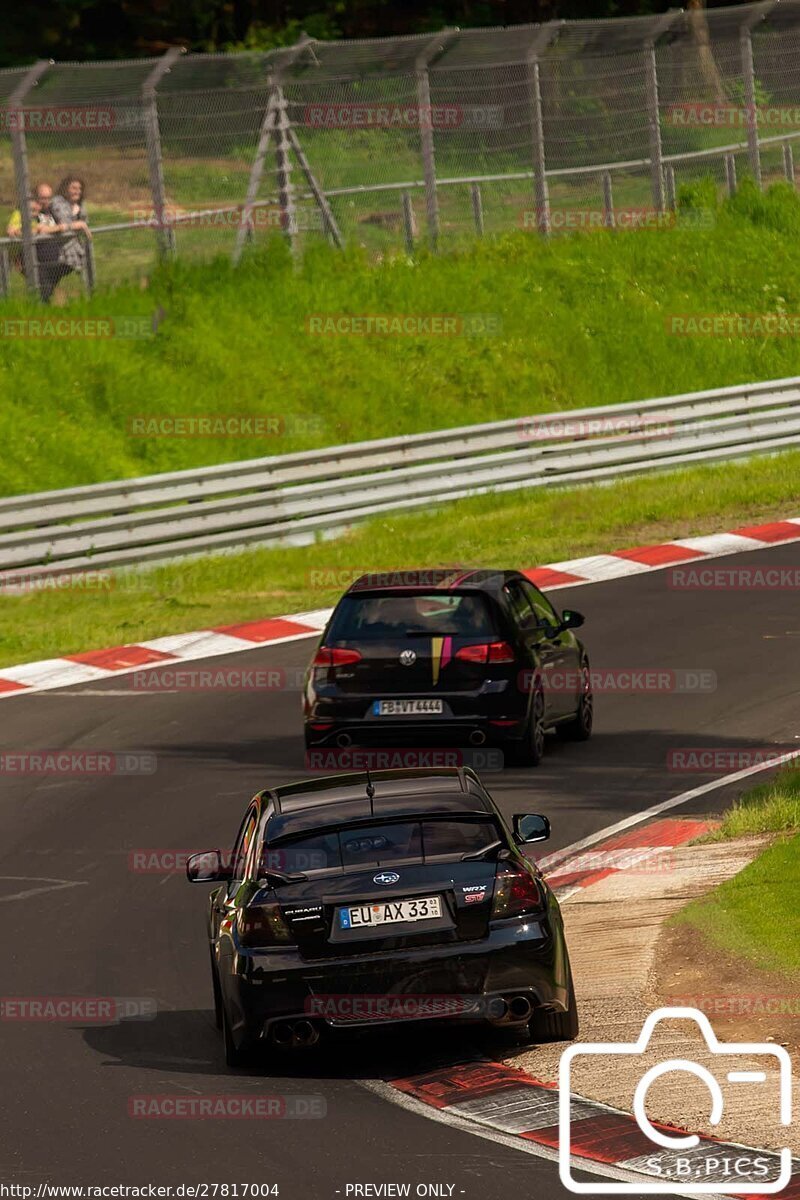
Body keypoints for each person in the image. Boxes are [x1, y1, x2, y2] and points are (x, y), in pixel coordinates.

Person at [49, 175, 91, 299]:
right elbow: (63, 221)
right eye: (73, 188)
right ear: (65, 188)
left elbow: (85, 223)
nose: (77, 191)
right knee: (49, 282)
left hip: (75, 246)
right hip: (56, 248)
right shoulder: (58, 202)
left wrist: (79, 224)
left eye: (79, 188)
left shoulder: (80, 205)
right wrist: (78, 224)